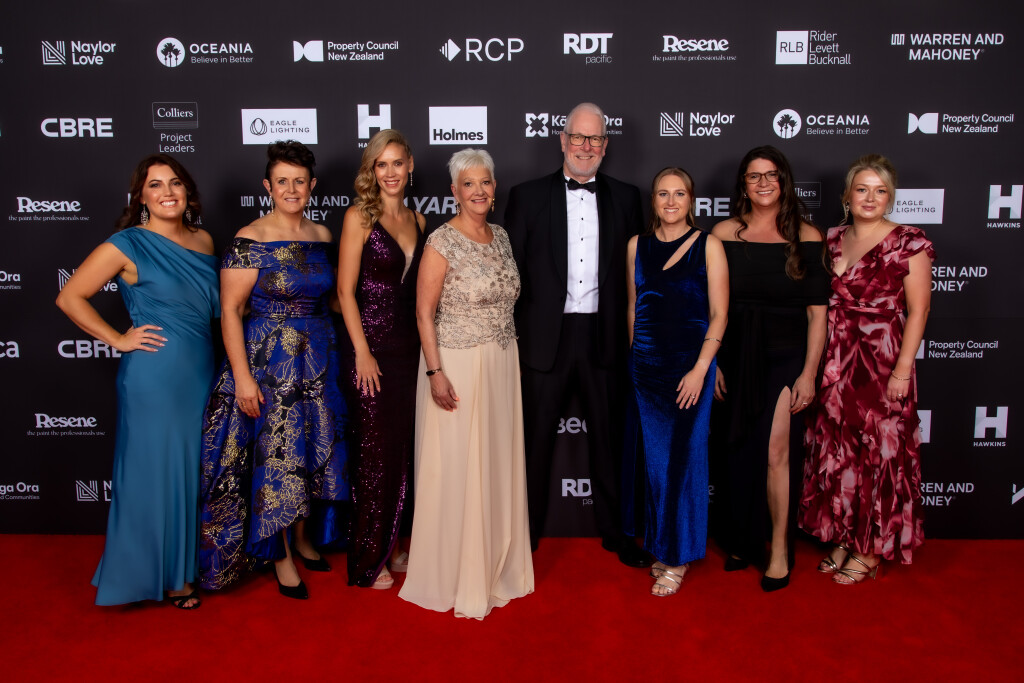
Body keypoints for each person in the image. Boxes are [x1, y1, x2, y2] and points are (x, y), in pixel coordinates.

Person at [56, 154, 219, 608]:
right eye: (155, 185)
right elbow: (70, 297)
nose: (167, 192)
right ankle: (157, 577)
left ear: (187, 191)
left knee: (189, 473)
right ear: (141, 196)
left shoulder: (204, 240)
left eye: (175, 183)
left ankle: (182, 569)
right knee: (154, 475)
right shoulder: (127, 244)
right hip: (154, 377)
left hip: (201, 373)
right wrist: (117, 339)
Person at [199, 141, 349, 600]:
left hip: (318, 360)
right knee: (278, 456)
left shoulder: (323, 235)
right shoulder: (250, 239)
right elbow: (230, 310)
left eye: (299, 181)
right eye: (282, 181)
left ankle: (302, 538)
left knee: (310, 451)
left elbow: (334, 299)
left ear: (312, 185)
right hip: (270, 365)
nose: (291, 189)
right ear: (267, 186)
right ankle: (278, 552)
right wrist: (243, 378)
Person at [505, 102, 647, 567]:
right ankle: (524, 536)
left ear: (605, 145)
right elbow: (511, 276)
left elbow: (637, 277)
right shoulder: (526, 196)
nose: (586, 146)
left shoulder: (627, 198)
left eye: (595, 138)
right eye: (579, 137)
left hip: (604, 336)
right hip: (544, 339)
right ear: (563, 140)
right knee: (534, 445)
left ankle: (616, 534)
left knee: (609, 443)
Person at [399, 148, 534, 619]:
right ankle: (455, 573)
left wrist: (510, 355)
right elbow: (423, 313)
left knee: (494, 462)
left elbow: (507, 302)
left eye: (486, 182)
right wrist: (435, 372)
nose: (479, 191)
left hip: (501, 363)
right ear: (454, 191)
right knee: (457, 466)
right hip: (455, 365)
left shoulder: (502, 236)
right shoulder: (441, 240)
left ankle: (496, 562)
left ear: (494, 189)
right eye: (469, 184)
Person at [800, 154, 933, 584]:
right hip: (836, 360)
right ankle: (844, 534)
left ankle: (872, 548)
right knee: (839, 449)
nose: (870, 198)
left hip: (881, 361)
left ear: (891, 197)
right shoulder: (833, 239)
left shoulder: (909, 242)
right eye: (862, 189)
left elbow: (919, 310)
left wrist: (902, 370)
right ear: (847, 196)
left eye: (880, 191)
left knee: (880, 451)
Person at [711, 146, 830, 592]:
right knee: (738, 450)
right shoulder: (724, 233)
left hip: (785, 358)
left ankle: (779, 548)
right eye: (754, 176)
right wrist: (713, 362)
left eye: (771, 175)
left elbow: (818, 315)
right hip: (734, 356)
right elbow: (712, 307)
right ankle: (742, 541)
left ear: (784, 182)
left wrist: (808, 373)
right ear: (743, 184)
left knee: (776, 452)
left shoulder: (808, 235)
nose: (763, 183)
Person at [624, 168, 728, 596]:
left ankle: (678, 557)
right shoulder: (637, 246)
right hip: (646, 369)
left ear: (691, 200)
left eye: (679, 193)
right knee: (656, 464)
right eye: (663, 194)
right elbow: (634, 309)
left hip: (690, 367)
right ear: (653, 200)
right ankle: (664, 544)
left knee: (683, 461)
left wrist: (702, 369)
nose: (671, 201)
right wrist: (635, 359)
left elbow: (719, 314)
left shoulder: (709, 245)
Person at [338, 129, 426, 590]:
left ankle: (396, 543)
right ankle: (370, 556)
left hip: (411, 351)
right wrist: (362, 352)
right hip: (370, 350)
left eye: (397, 162)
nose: (390, 172)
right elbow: (344, 292)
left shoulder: (419, 219)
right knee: (375, 453)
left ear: (410, 165)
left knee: (405, 451)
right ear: (372, 171)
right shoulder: (359, 217)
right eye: (381, 164)